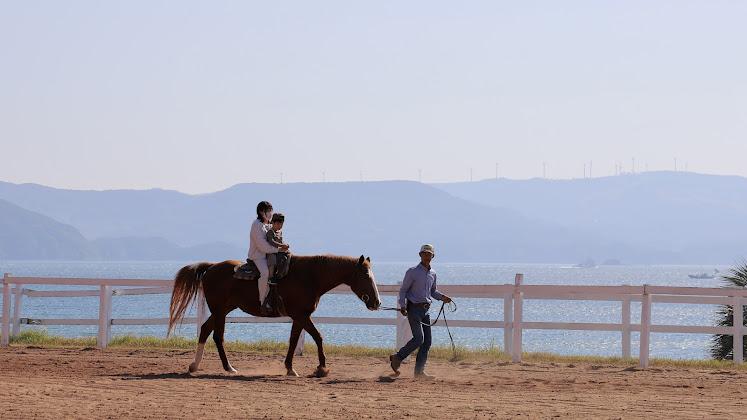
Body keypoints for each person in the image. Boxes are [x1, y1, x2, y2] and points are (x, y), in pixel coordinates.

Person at [389, 244, 451, 379]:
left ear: (433, 256)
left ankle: (419, 372)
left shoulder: (433, 274)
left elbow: (433, 291)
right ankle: (398, 357)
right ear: (420, 255)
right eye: (425, 254)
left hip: (425, 310)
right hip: (414, 309)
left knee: (427, 342)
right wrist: (403, 305)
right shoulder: (412, 272)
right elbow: (403, 290)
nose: (427, 256)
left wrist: (442, 297)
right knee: (419, 339)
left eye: (429, 254)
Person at [248, 201, 289, 315]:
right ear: (262, 212)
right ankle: (262, 302)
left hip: (267, 256)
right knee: (265, 273)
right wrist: (279, 249)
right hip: (258, 257)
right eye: (268, 211)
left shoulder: (267, 225)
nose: (271, 213)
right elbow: (263, 246)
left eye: (271, 211)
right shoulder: (256, 225)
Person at [265, 212, 290, 284]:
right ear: (273, 222)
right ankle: (271, 277)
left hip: (279, 251)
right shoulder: (270, 232)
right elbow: (271, 242)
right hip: (272, 251)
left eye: (281, 224)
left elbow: (281, 241)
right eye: (278, 224)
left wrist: (285, 245)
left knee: (287, 257)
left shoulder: (279, 232)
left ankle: (281, 274)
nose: (280, 226)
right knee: (272, 259)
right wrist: (282, 246)